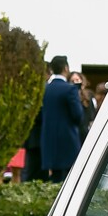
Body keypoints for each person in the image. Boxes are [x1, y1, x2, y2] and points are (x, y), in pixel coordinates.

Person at [38, 54, 86, 183]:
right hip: (67, 140)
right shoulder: (70, 89)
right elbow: (77, 115)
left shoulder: (45, 89)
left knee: (55, 180)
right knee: (70, 180)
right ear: (66, 68)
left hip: (49, 140)